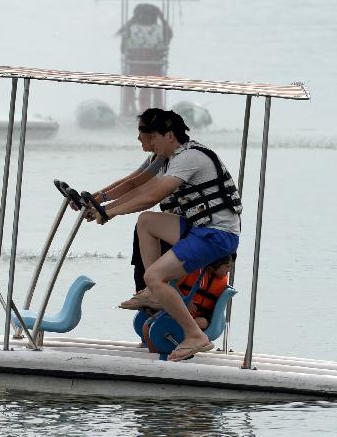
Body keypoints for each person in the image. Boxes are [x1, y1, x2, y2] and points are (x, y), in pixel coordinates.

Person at [90, 109, 242, 362]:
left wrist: (109, 212)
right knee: (147, 222)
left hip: (217, 235)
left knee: (154, 275)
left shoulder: (189, 157)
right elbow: (138, 187)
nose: (144, 142)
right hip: (199, 228)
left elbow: (152, 195)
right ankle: (153, 291)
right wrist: (100, 202)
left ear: (169, 135)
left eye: (150, 136)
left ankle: (195, 336)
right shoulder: (171, 157)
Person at [80, 108, 172, 301]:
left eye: (141, 133)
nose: (138, 138)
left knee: (145, 225)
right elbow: (130, 181)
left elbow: (140, 190)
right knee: (141, 233)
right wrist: (96, 199)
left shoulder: (166, 158)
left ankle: (153, 291)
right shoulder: (155, 158)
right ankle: (146, 290)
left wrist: (106, 209)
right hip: (170, 222)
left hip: (179, 226)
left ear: (154, 134)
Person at [140, 254, 232, 349]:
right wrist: (185, 300)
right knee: (147, 328)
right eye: (227, 266)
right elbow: (172, 286)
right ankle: (156, 356)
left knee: (201, 322)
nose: (228, 270)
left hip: (203, 318)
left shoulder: (223, 281)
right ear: (216, 264)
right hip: (180, 311)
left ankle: (193, 342)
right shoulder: (194, 271)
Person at [116, 4, 173, 116]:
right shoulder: (160, 31)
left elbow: (123, 50)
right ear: (155, 17)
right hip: (154, 69)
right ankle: (158, 109)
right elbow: (169, 38)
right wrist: (162, 18)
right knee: (156, 85)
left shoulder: (130, 29)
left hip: (134, 69)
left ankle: (127, 110)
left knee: (129, 83)